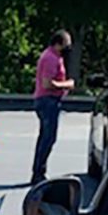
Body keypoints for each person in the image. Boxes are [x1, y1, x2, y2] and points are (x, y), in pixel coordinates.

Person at [31, 29, 75, 184]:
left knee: (45, 137)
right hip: (47, 101)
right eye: (66, 45)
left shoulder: (54, 56)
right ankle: (38, 173)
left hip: (48, 100)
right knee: (48, 138)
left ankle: (38, 171)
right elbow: (47, 83)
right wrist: (67, 84)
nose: (68, 48)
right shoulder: (50, 58)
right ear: (58, 44)